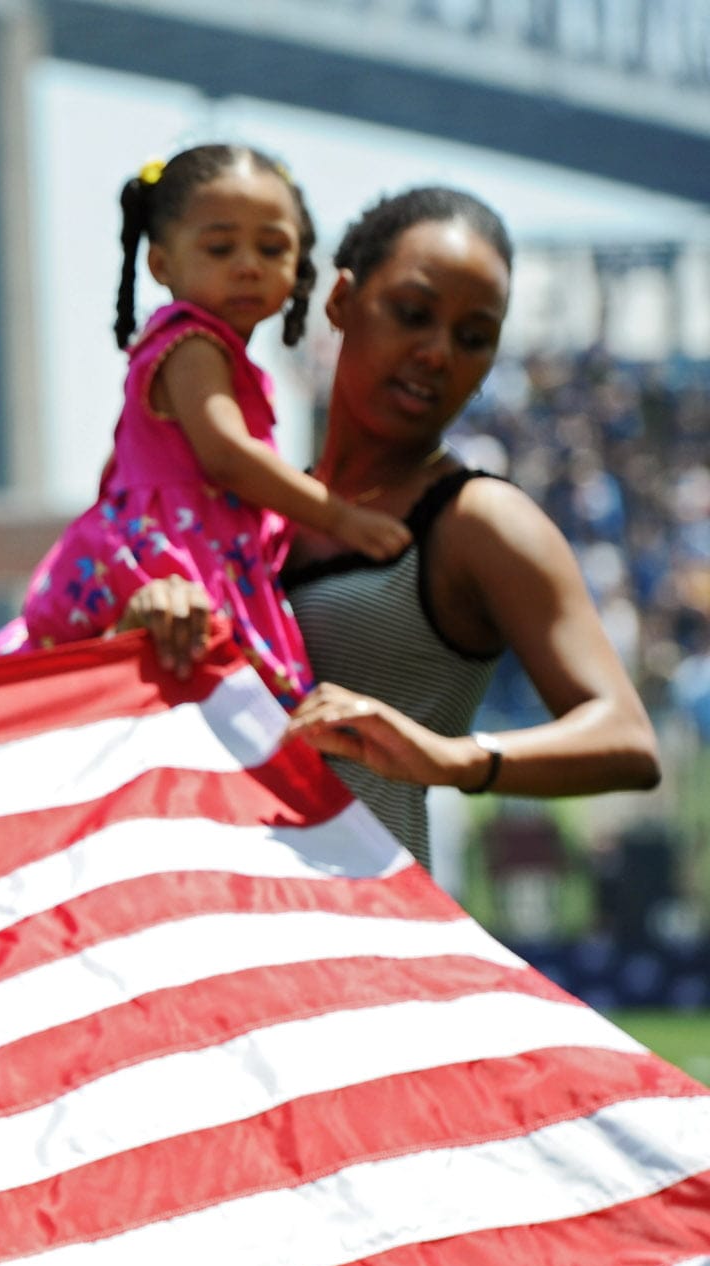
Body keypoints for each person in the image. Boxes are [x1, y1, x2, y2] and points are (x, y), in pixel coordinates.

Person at [118, 186, 660, 866]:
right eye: (412, 313)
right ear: (341, 302)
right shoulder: (247, 512)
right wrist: (146, 625)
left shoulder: (478, 520)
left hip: (367, 946)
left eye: (473, 338)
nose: (438, 353)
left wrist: (455, 758)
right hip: (217, 933)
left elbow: (627, 738)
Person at [0, 144, 410, 706]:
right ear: (162, 265)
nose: (248, 264)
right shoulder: (194, 343)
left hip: (185, 548)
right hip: (171, 561)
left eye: (272, 247)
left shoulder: (203, 347)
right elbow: (227, 455)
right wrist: (339, 517)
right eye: (219, 247)